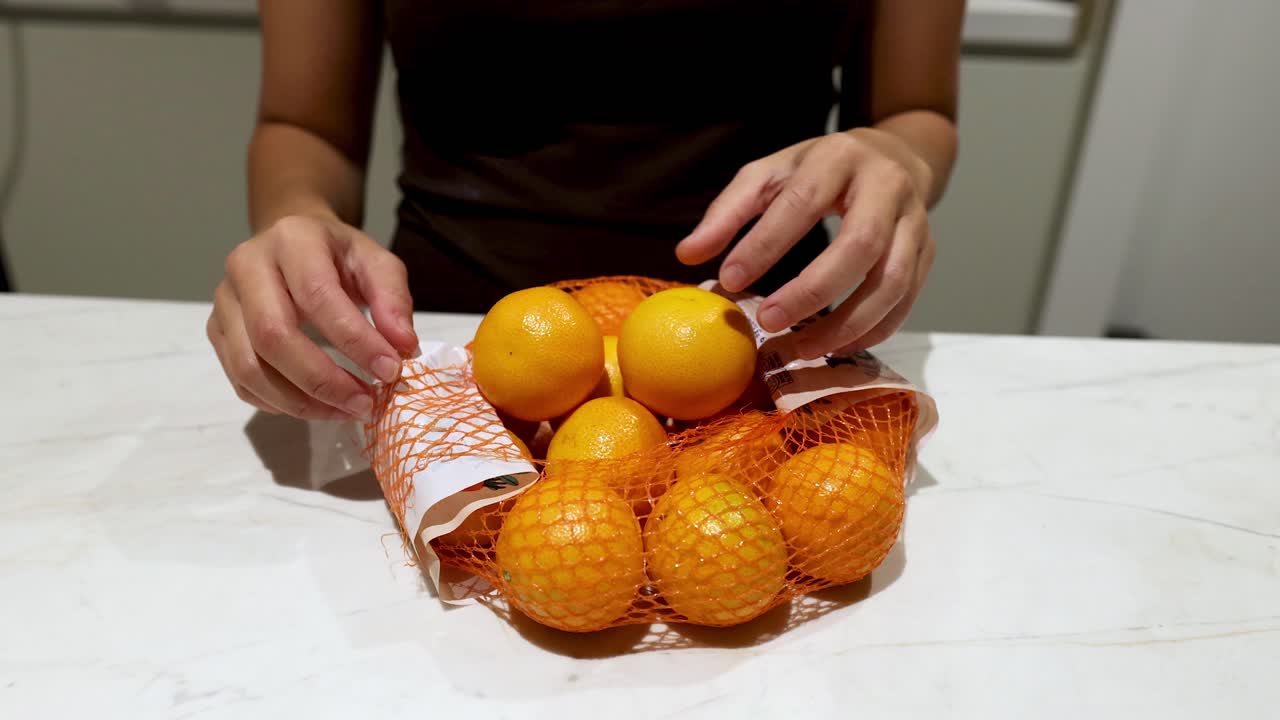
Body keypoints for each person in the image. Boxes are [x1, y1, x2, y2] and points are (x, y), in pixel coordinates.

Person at [207, 1, 962, 421]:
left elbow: (914, 111)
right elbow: (305, 130)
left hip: (763, 351)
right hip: (454, 360)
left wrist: (900, 160)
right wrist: (295, 218)